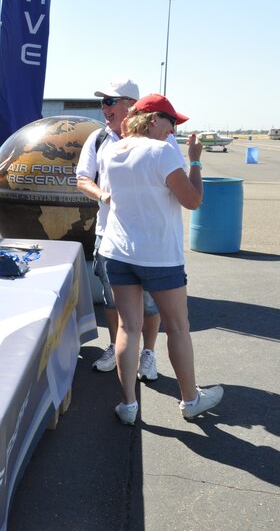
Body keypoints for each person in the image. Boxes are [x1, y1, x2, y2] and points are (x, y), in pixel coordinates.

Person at [99, 94, 223, 425]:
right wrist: (194, 161)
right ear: (154, 120)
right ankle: (190, 399)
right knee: (178, 327)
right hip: (158, 256)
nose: (174, 132)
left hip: (117, 252)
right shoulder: (163, 150)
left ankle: (128, 405)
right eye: (171, 124)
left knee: (128, 327)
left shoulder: (113, 151)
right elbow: (193, 200)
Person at [77, 78, 163, 380]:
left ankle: (148, 353)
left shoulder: (156, 139)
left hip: (149, 236)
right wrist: (101, 195)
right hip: (109, 233)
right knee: (113, 297)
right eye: (103, 102)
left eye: (111, 101)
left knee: (151, 300)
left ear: (131, 105)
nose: (105, 107)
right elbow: (82, 178)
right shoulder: (97, 139)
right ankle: (116, 347)